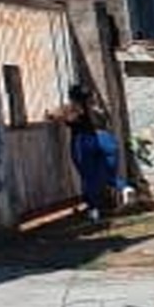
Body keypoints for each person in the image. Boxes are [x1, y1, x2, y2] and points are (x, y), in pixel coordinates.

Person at [53, 83, 122, 225]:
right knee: (105, 172)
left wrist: (52, 115)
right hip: (105, 139)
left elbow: (56, 117)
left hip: (83, 141)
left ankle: (93, 209)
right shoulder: (97, 110)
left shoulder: (72, 109)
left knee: (88, 177)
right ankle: (123, 187)